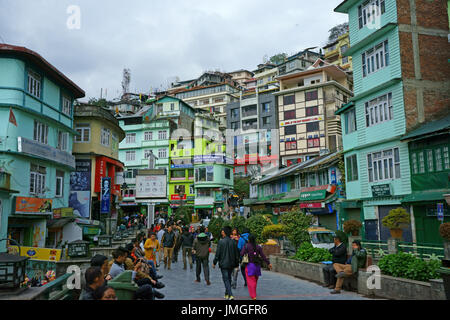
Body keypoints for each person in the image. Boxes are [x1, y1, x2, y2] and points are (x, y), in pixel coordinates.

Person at [240, 234, 272, 300]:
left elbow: (241, 254)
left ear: (249, 239)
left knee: (251, 281)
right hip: (257, 266)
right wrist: (268, 263)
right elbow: (263, 256)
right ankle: (253, 292)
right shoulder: (258, 247)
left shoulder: (246, 246)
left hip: (249, 266)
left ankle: (253, 295)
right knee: (255, 280)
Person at [213, 226, 240, 300]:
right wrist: (237, 264)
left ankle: (230, 295)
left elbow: (218, 254)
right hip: (231, 263)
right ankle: (226, 294)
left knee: (226, 279)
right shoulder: (233, 242)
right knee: (228, 278)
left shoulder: (221, 242)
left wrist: (214, 262)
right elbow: (236, 254)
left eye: (222, 232)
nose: (222, 233)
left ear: (225, 232)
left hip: (223, 264)